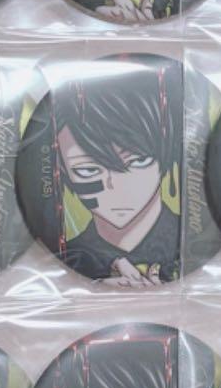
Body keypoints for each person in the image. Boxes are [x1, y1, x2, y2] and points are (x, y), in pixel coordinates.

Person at [52, 59, 181, 286]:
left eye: (138, 161)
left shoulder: (193, 244)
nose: (117, 188)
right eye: (88, 170)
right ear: (62, 169)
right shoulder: (68, 256)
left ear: (166, 154)